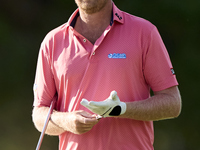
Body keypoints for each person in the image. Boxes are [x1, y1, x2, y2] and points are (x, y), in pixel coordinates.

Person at [32, 0, 182, 149]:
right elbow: (39, 115)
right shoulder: (52, 42)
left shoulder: (144, 32)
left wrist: (123, 109)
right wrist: (66, 121)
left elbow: (172, 103)